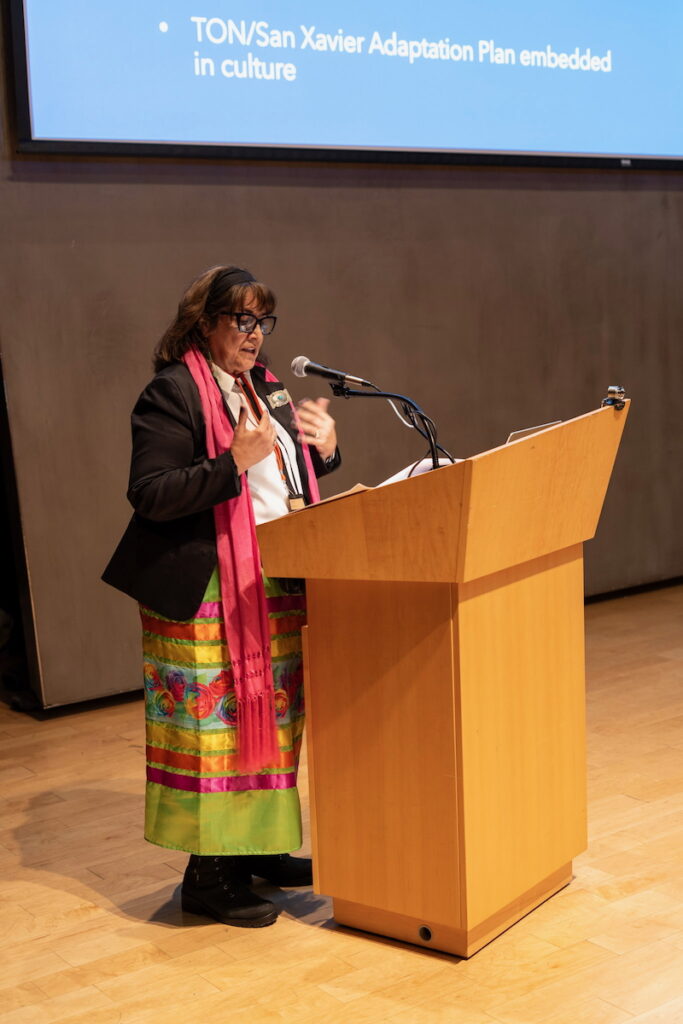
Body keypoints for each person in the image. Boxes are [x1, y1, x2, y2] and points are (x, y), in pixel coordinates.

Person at [103, 265, 340, 928]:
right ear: (203, 322)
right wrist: (230, 461)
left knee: (275, 721)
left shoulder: (265, 388)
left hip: (274, 582)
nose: (255, 334)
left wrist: (323, 452)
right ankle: (208, 875)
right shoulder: (172, 392)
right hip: (206, 592)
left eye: (262, 321)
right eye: (242, 319)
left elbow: (281, 479)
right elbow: (151, 493)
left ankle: (258, 847)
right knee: (218, 734)